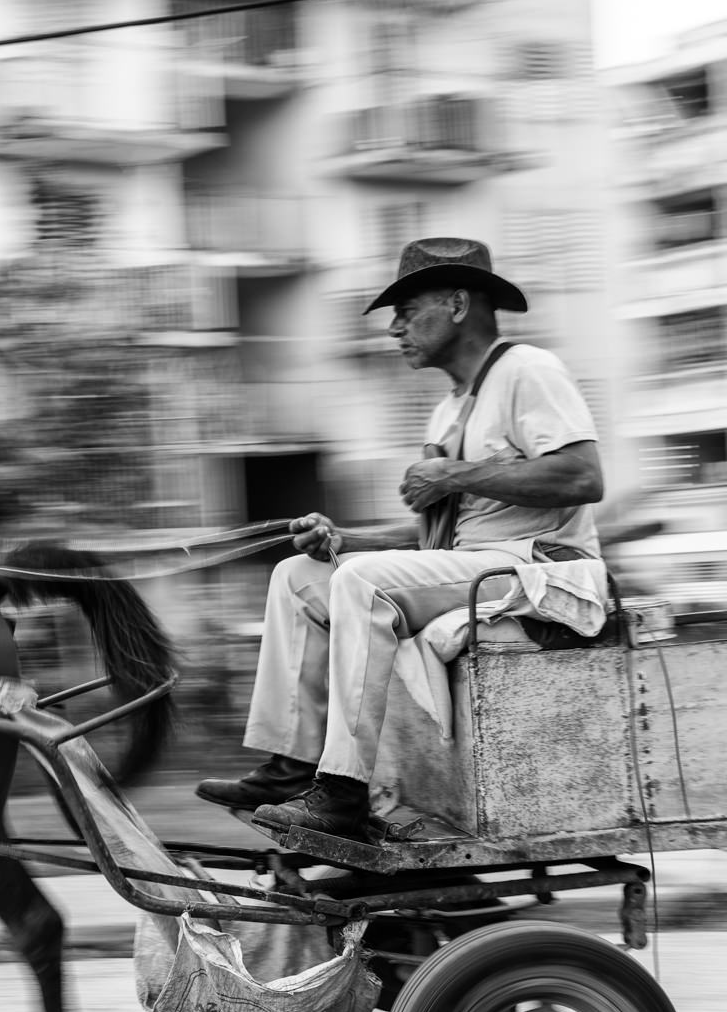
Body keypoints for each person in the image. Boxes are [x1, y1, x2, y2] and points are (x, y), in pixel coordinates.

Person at [196, 238, 604, 843]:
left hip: (543, 571)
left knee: (359, 581)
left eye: (408, 310)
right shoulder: (445, 413)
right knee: (300, 576)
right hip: (475, 566)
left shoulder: (528, 370)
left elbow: (583, 476)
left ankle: (342, 793)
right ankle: (293, 764)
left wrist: (452, 473)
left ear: (459, 303)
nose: (394, 328)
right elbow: (435, 543)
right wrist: (344, 539)